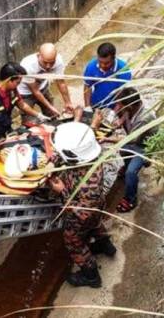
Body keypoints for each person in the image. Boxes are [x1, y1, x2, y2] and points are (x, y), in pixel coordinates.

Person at [49, 122, 116, 288]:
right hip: (97, 207)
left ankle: (91, 275)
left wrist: (62, 191)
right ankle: (105, 245)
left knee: (73, 240)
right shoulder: (91, 154)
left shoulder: (89, 185)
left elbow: (82, 211)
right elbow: (68, 153)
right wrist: (53, 162)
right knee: (95, 225)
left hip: (84, 212)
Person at [102, 88, 157, 212]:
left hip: (143, 145)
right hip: (134, 139)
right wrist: (118, 122)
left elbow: (131, 139)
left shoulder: (144, 118)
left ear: (130, 106)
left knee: (130, 173)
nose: (117, 106)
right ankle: (127, 164)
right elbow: (124, 116)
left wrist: (107, 139)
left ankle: (131, 200)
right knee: (123, 151)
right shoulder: (133, 107)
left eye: (120, 104)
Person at [0, 62, 49, 142]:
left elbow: (22, 105)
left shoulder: (12, 90)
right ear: (8, 81)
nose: (19, 85)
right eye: (17, 82)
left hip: (6, 132)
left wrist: (39, 115)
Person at [18, 43, 73, 119]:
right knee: (29, 120)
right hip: (25, 93)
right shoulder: (27, 65)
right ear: (38, 55)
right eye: (45, 62)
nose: (48, 66)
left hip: (42, 87)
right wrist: (51, 107)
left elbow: (61, 82)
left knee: (52, 115)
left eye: (51, 63)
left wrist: (68, 102)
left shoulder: (58, 61)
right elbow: (35, 91)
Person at [83, 42, 131, 109]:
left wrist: (114, 112)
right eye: (100, 62)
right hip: (95, 104)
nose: (102, 66)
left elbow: (123, 94)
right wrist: (87, 107)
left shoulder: (124, 70)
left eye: (106, 63)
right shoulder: (91, 66)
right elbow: (88, 87)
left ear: (113, 58)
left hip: (114, 107)